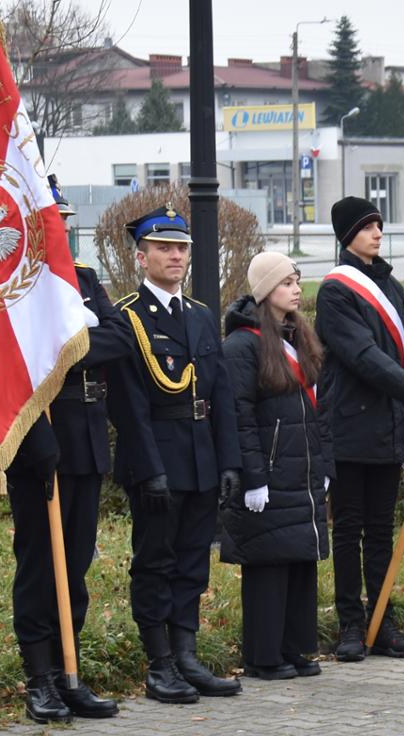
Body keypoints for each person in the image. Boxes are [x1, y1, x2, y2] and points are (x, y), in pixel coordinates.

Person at [108, 206, 244, 702]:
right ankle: (158, 661)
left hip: (201, 456)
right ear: (141, 257)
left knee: (192, 562)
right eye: (164, 247)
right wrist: (149, 470)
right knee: (154, 562)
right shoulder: (128, 318)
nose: (176, 256)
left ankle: (186, 653)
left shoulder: (202, 316)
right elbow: (129, 406)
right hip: (157, 459)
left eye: (182, 247)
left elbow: (221, 395)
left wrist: (230, 461)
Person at [1, 178, 124, 722]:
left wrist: (73, 336)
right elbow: (12, 363)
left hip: (88, 437)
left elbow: (120, 340)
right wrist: (78, 336)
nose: (65, 230)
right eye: (55, 222)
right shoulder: (18, 288)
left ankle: (70, 670)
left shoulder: (86, 278)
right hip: (40, 438)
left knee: (73, 565)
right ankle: (40, 678)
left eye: (67, 221)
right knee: (37, 564)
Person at [315, 196, 404, 662]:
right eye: (367, 226)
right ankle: (350, 626)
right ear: (347, 235)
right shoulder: (336, 291)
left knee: (382, 531)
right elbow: (363, 358)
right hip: (351, 426)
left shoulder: (392, 286)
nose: (378, 232)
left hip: (388, 427)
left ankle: (382, 621)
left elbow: (401, 359)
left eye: (379, 224)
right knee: (349, 529)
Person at [219, 253, 333, 680]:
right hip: (268, 470)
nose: (296, 289)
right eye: (286, 282)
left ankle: (297, 647)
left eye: (296, 280)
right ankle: (264, 656)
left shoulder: (299, 337)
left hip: (300, 470)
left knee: (300, 559)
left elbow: (319, 408)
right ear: (267, 291)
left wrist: (323, 463)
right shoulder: (243, 345)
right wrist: (253, 476)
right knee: (269, 563)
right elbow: (239, 414)